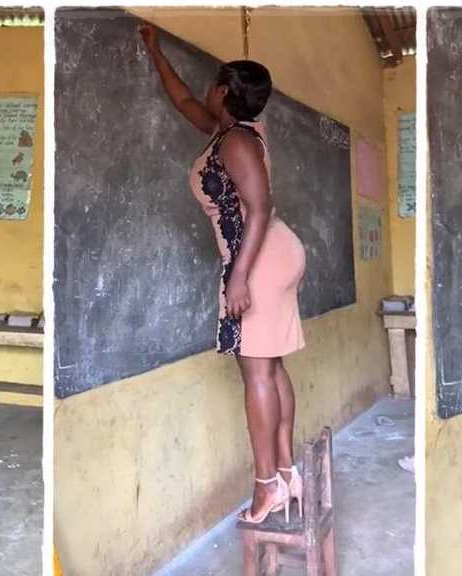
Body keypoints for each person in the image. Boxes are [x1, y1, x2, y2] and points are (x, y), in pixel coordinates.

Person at [139, 25, 308, 524]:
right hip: (267, 254)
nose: (205, 91)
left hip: (257, 257)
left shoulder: (236, 142)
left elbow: (259, 209)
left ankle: (265, 487)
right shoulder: (228, 133)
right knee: (270, 368)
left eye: (213, 84)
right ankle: (284, 473)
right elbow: (183, 101)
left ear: (225, 92)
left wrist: (237, 278)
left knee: (256, 371)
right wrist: (155, 52)